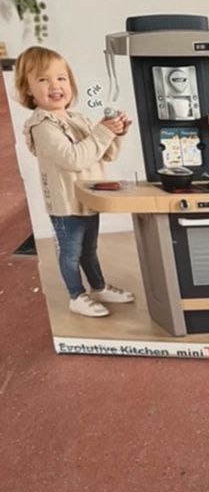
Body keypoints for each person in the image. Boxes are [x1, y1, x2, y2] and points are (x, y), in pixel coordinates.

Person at [15, 46, 135, 318]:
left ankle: (98, 287)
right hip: (66, 204)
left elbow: (107, 154)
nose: (55, 85)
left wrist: (115, 132)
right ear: (28, 90)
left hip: (88, 199)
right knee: (71, 252)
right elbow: (74, 159)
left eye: (61, 78)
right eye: (43, 79)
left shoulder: (78, 119)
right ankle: (76, 295)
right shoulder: (42, 125)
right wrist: (103, 132)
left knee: (89, 250)